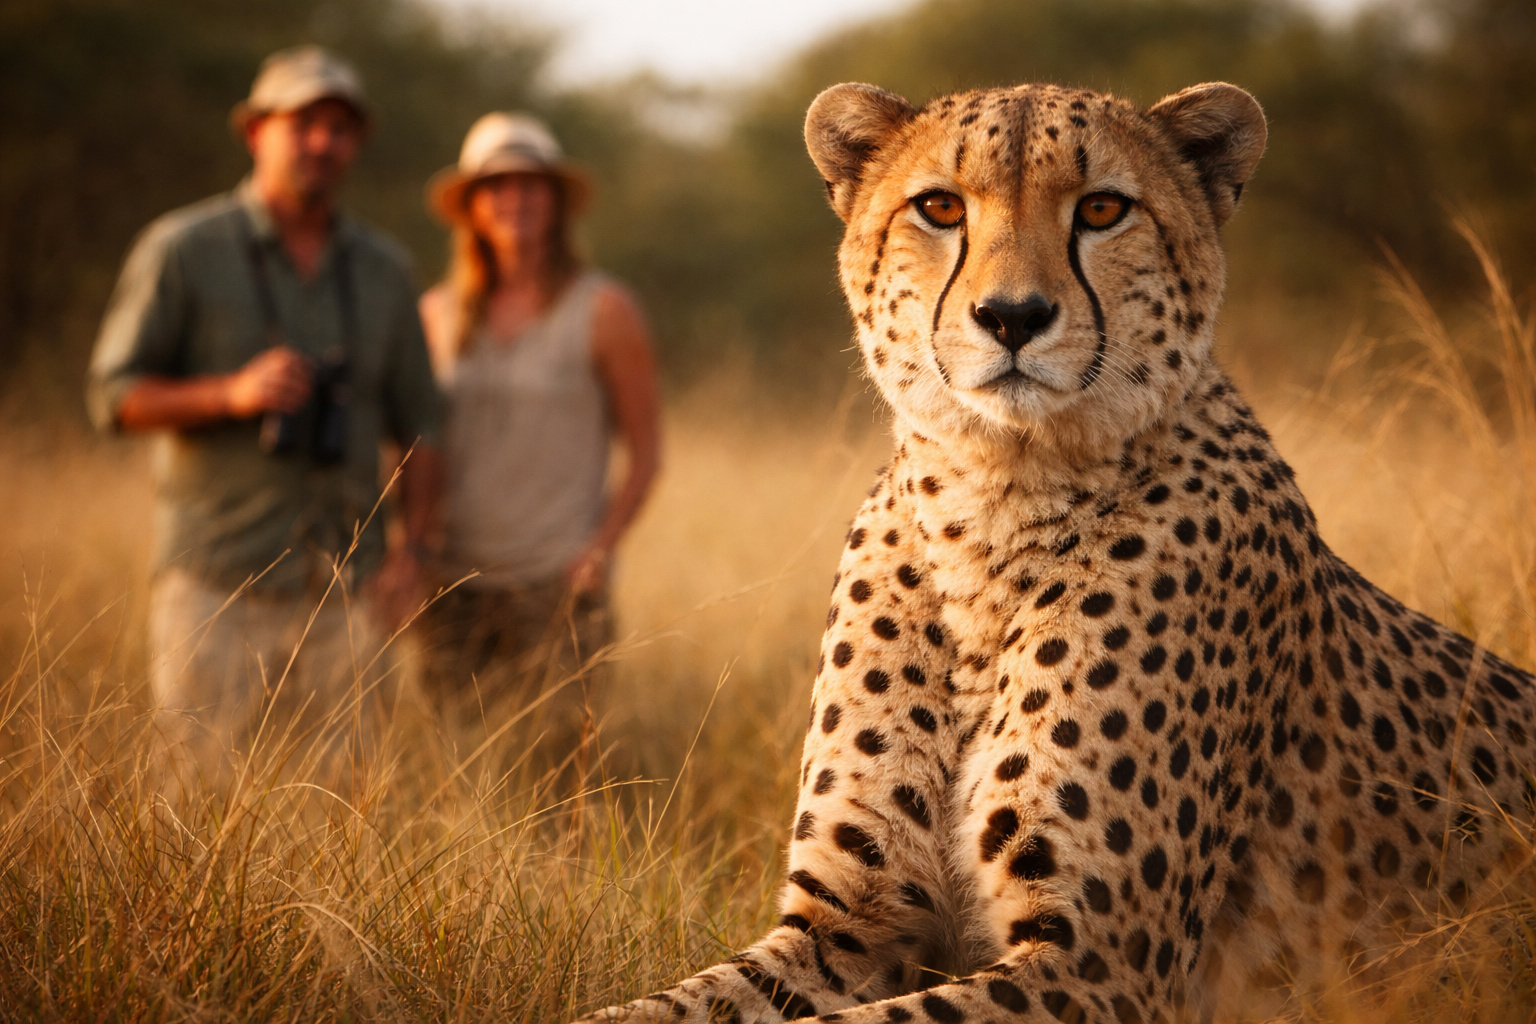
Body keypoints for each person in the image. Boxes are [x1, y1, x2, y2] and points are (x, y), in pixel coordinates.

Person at [86, 46, 443, 770]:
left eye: (340, 128)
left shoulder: (384, 269)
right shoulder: (183, 248)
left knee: (345, 814)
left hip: (348, 588)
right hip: (218, 581)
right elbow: (112, 395)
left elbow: (423, 426)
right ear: (256, 132)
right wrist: (229, 394)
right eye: (303, 122)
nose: (322, 142)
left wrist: (417, 554)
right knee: (193, 803)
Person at [416, 112, 660, 730]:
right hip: (451, 581)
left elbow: (647, 453)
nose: (514, 200)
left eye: (531, 185)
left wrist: (599, 549)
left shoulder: (603, 310)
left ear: (555, 202)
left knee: (557, 772)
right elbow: (414, 448)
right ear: (471, 206)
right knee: (453, 760)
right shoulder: (435, 315)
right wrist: (410, 550)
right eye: (496, 186)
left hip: (557, 583)